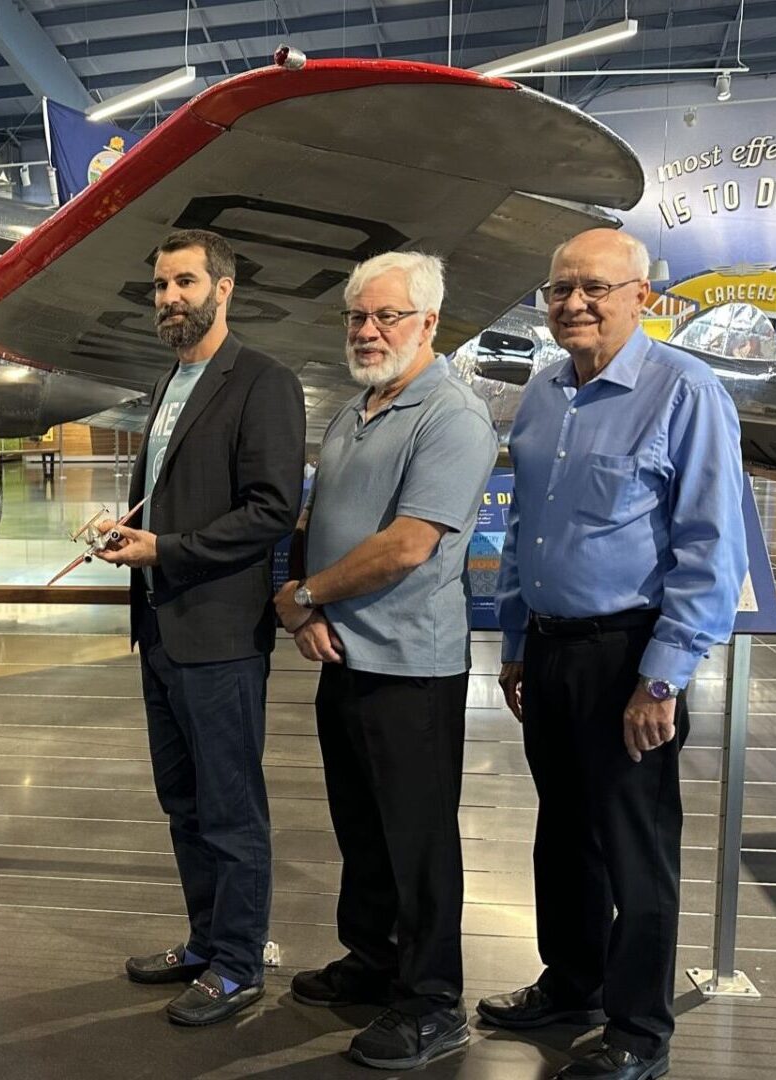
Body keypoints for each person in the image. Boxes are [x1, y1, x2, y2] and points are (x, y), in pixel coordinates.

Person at [485, 229, 746, 1080]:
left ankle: (639, 1028)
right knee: (562, 833)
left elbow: (711, 549)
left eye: (595, 288)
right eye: (560, 290)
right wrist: (517, 635)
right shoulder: (544, 394)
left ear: (642, 295)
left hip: (630, 655)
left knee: (635, 846)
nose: (575, 305)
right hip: (551, 651)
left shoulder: (686, 391)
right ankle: (574, 981)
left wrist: (663, 677)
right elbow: (525, 528)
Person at [273, 252, 496, 1069]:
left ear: (429, 323)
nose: (368, 332)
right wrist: (306, 609)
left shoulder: (453, 417)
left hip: (413, 669)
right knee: (363, 830)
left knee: (419, 842)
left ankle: (433, 1001)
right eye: (358, 318)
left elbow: (407, 546)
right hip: (345, 658)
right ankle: (374, 960)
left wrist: (307, 597)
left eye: (387, 317)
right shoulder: (352, 411)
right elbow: (317, 520)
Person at [95, 229, 305, 1025]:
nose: (169, 299)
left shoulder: (264, 382)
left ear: (225, 289)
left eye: (184, 282)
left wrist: (168, 549)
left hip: (218, 634)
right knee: (182, 801)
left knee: (229, 806)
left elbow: (271, 510)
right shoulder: (168, 383)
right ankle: (205, 942)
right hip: (158, 626)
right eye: (159, 287)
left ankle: (240, 963)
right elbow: (181, 494)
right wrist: (135, 530)